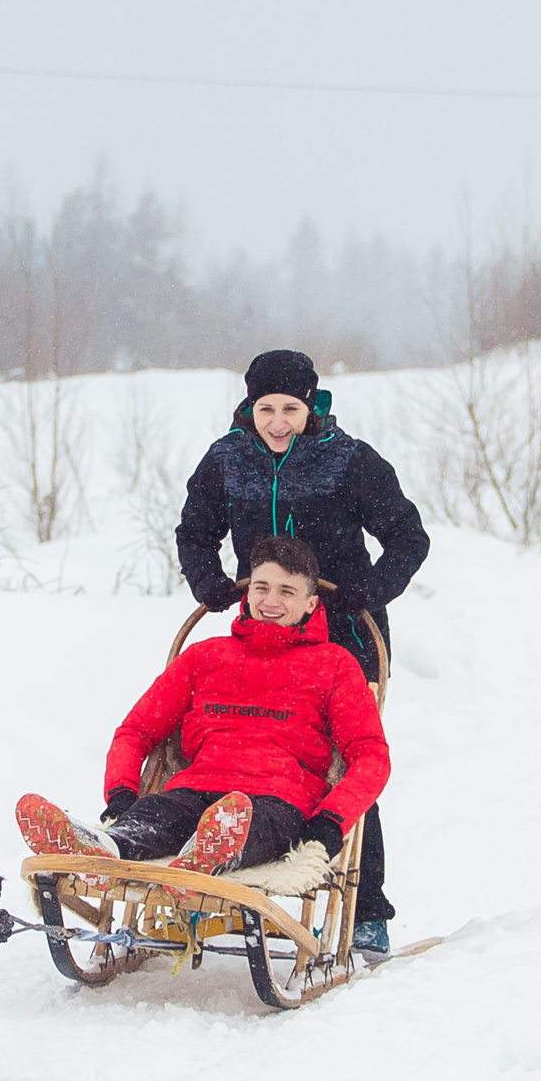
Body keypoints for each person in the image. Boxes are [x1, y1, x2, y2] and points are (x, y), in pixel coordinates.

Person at [177, 349, 426, 953]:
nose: (278, 422)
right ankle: (229, 873)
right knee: (253, 748)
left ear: (311, 407)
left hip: (345, 632)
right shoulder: (228, 459)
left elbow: (407, 535)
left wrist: (369, 590)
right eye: (266, 408)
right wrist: (208, 581)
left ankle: (365, 908)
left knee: (342, 761)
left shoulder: (348, 460)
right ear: (249, 407)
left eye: (290, 408)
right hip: (265, 629)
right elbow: (194, 530)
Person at [15, 538, 391, 910]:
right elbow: (135, 731)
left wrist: (330, 821)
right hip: (196, 789)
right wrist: (121, 795)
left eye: (286, 591)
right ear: (249, 592)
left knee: (248, 823)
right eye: (262, 587)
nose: (271, 601)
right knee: (156, 816)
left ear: (311, 603)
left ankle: (208, 855)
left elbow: (370, 755)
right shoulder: (205, 656)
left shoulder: (335, 664)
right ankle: (106, 846)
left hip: (278, 800)